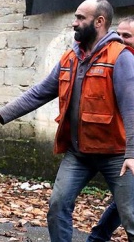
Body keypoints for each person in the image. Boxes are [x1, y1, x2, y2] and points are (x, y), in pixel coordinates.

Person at [0, 0, 134, 242]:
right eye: (75, 17)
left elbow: (131, 107)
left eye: (81, 18)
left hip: (116, 154)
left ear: (99, 22)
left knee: (130, 216)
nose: (74, 23)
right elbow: (41, 91)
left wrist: (132, 152)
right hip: (79, 153)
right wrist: (2, 113)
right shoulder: (70, 57)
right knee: (58, 207)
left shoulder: (120, 57)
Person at [86, 15, 134, 242]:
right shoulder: (119, 60)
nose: (121, 40)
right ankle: (97, 237)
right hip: (125, 141)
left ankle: (97, 237)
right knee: (127, 199)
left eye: (128, 36)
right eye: (120, 34)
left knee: (127, 199)